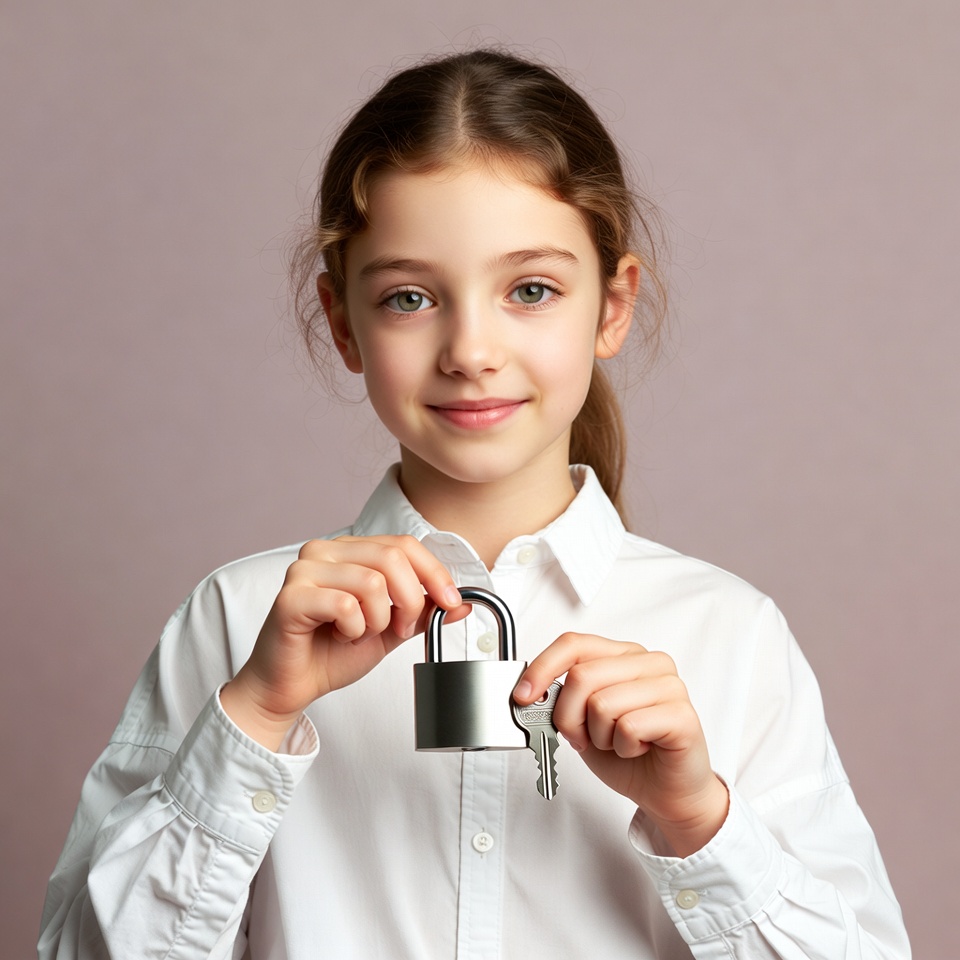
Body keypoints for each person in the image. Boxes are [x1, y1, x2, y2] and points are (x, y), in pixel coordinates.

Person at [38, 49, 911, 959]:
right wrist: (253, 718)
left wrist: (698, 817)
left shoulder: (729, 635)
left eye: (530, 290)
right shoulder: (237, 624)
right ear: (345, 325)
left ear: (612, 306)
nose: (471, 349)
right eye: (410, 298)